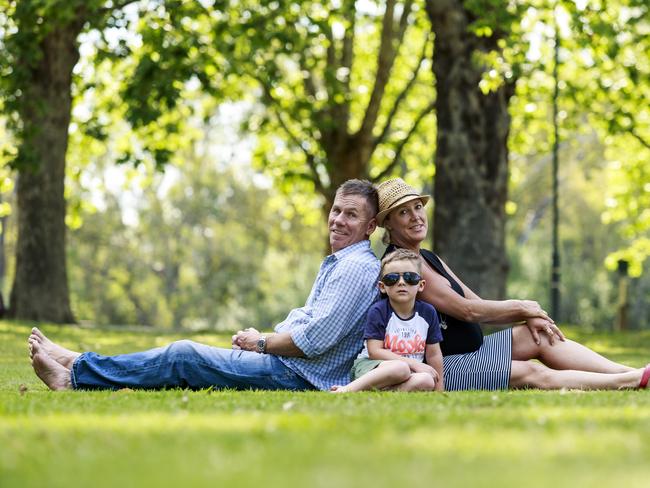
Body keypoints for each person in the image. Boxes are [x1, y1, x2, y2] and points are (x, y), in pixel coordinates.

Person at [28, 179, 381, 392]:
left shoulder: (355, 268)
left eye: (351, 214)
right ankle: (78, 362)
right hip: (289, 366)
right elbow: (311, 326)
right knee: (184, 356)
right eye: (336, 210)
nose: (337, 220)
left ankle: (73, 378)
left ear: (370, 226)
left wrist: (260, 343)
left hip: (297, 376)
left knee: (183, 355)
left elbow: (313, 341)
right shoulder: (344, 261)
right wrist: (261, 339)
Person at [376, 177, 650, 391]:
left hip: (476, 349)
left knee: (540, 335)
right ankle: (628, 381)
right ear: (388, 222)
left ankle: (628, 372)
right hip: (445, 365)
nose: (416, 217)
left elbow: (476, 302)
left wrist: (527, 316)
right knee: (531, 372)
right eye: (403, 212)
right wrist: (524, 307)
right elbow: (468, 312)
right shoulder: (402, 269)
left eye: (418, 207)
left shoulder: (426, 256)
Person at [332, 249, 444, 393]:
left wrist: (439, 390)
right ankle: (348, 390)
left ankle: (380, 395)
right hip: (371, 367)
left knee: (426, 380)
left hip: (406, 374)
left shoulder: (428, 313)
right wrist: (414, 364)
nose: (402, 283)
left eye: (410, 277)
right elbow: (374, 351)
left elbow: (434, 354)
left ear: (421, 285)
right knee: (400, 367)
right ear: (382, 287)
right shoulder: (379, 311)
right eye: (392, 278)